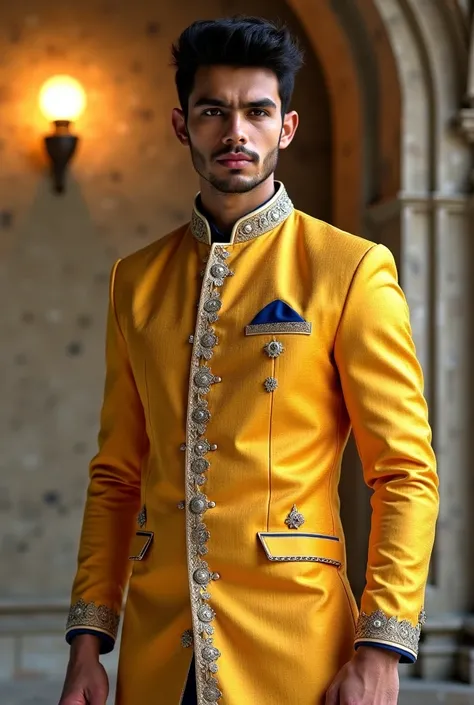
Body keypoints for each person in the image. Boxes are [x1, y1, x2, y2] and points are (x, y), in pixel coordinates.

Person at [58, 15, 439, 705]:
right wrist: (89, 643)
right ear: (183, 126)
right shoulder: (136, 281)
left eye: (257, 111)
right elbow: (117, 475)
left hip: (298, 651)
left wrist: (382, 646)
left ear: (285, 127)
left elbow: (405, 472)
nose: (236, 132)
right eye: (214, 111)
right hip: (157, 656)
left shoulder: (349, 269)